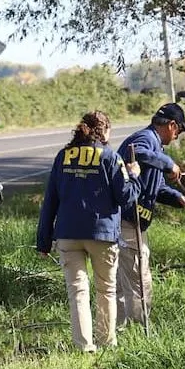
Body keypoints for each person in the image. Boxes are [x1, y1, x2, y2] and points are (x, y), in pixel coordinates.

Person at [36, 110, 142, 353]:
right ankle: (107, 342)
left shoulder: (63, 156)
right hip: (102, 234)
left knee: (77, 291)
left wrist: (43, 241)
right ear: (105, 131)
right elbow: (126, 197)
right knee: (106, 289)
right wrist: (134, 176)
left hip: (68, 233)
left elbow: (50, 201)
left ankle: (84, 346)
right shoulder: (110, 157)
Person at [115, 103, 185, 329]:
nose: (177, 136)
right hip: (127, 222)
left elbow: (157, 187)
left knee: (122, 282)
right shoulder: (145, 139)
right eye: (179, 130)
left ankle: (117, 332)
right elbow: (137, 153)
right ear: (171, 125)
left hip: (130, 222)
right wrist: (169, 164)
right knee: (139, 281)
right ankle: (139, 331)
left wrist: (180, 199)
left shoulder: (156, 147)